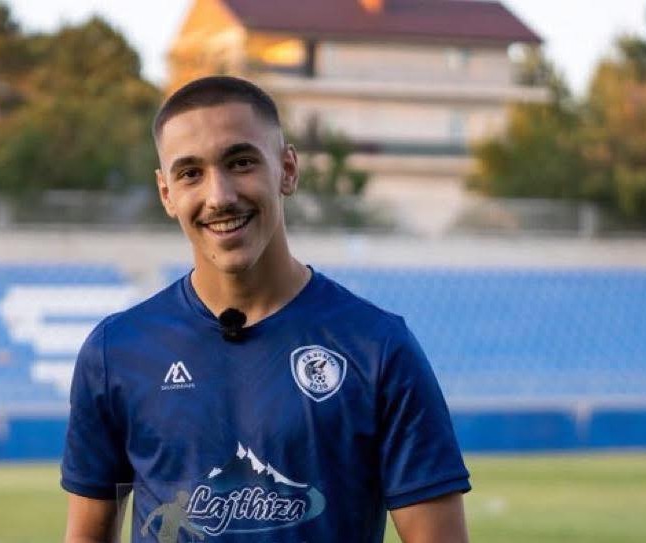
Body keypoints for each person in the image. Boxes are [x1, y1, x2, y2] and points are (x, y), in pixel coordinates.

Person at [62, 75, 470, 542]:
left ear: (288, 169)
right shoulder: (115, 352)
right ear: (166, 193)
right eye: (190, 173)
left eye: (240, 163)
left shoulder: (377, 347)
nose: (219, 196)